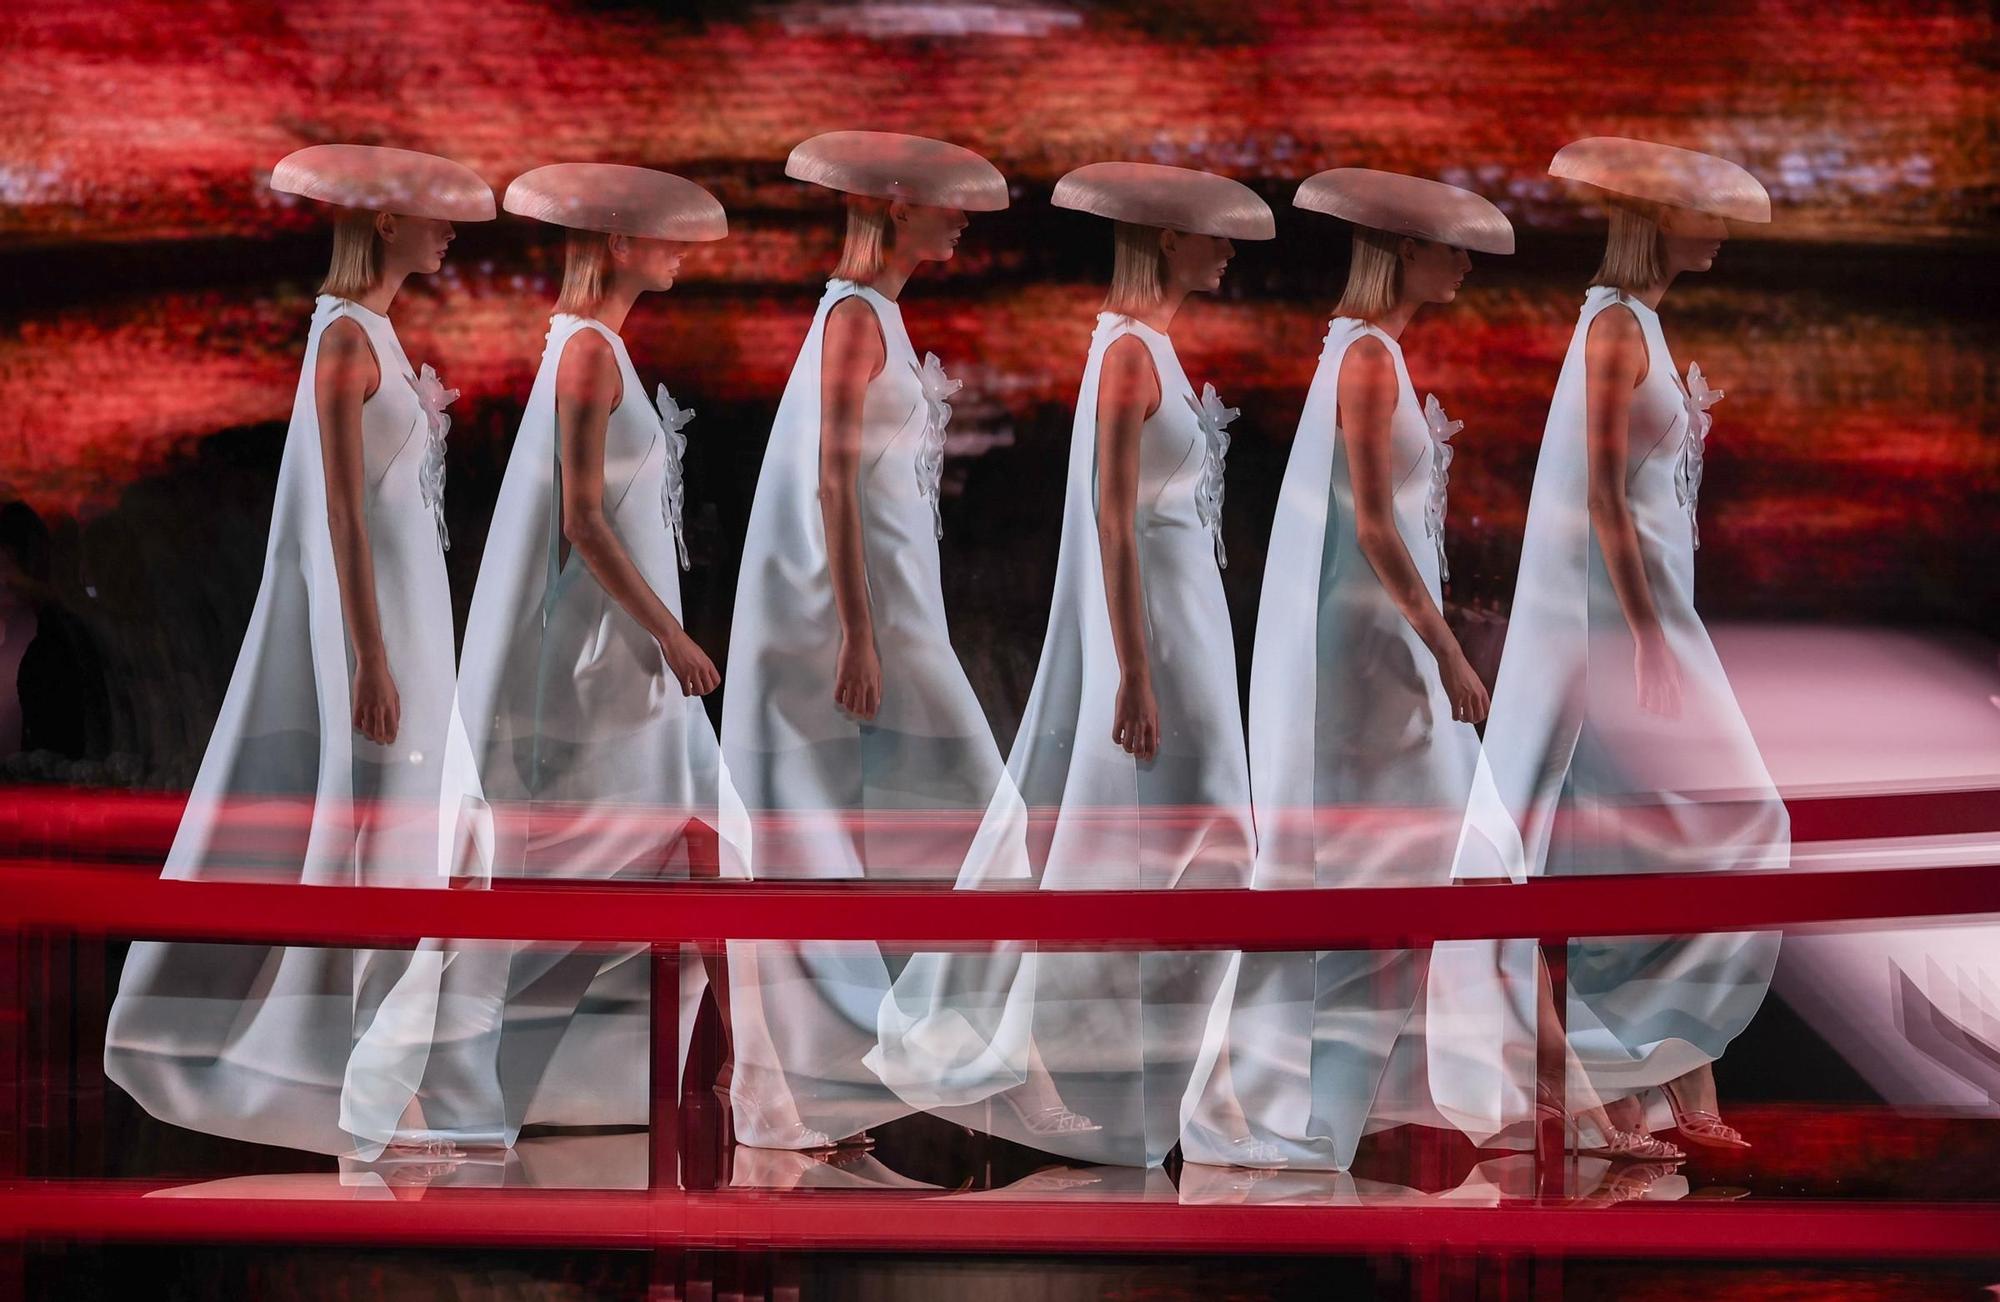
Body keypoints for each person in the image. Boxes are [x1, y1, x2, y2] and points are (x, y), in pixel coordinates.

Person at [872, 162, 1272, 1166]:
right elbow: (1109, 519)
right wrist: (1131, 669)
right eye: (1206, 235)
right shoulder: (1127, 354)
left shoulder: (1154, 351)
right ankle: (1076, 1068)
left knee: (1211, 848)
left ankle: (1189, 1086)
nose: (1222, 251)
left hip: (1189, 633)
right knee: (1166, 845)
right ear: (1162, 239)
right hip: (1158, 642)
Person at [105, 144, 495, 1156]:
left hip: (412, 627)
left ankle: (385, 1082)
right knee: (384, 845)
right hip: (382, 636)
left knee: (431, 840)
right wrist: (367, 652)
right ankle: (359, 1090)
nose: (447, 230)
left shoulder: (375, 335)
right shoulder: (343, 342)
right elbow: (337, 517)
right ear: (381, 225)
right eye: (430, 213)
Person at [1436, 137, 1786, 1155]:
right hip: (1620, 627)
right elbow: (1594, 497)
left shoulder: (1638, 323)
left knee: (1660, 843)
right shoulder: (1611, 329)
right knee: (1735, 828)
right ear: (1655, 220)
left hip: (1648, 616)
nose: (1717, 231)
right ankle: (1635, 1069)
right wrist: (1641, 630)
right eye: (1701, 212)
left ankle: (1646, 1072)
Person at [1182, 168, 1513, 1171]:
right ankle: (1316, 1104)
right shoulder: (1365, 358)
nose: (1460, 264)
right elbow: (1372, 523)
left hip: (1376, 649)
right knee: (1417, 865)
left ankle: (1351, 1104)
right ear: (1403, 251)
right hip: (1372, 661)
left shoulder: (1366, 354)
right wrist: (1447, 648)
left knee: (1419, 870)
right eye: (1446, 246)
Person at [719, 131, 1011, 1148]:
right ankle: (926, 1067)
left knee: (928, 829)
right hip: (855, 616)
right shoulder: (851, 317)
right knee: (975, 822)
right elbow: (831, 479)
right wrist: (856, 630)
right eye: (946, 202)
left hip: (891, 606)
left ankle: (884, 1070)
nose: (961, 218)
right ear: (894, 205)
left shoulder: (870, 313)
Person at [437, 163, 733, 1146]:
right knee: (679, 857)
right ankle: (746, 1091)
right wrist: (670, 633)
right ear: (617, 243)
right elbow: (582, 519)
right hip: (618, 662)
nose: (681, 254)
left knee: (704, 858)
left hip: (625, 659)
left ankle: (742, 1088)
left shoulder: (589, 348)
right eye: (665, 238)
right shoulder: (587, 356)